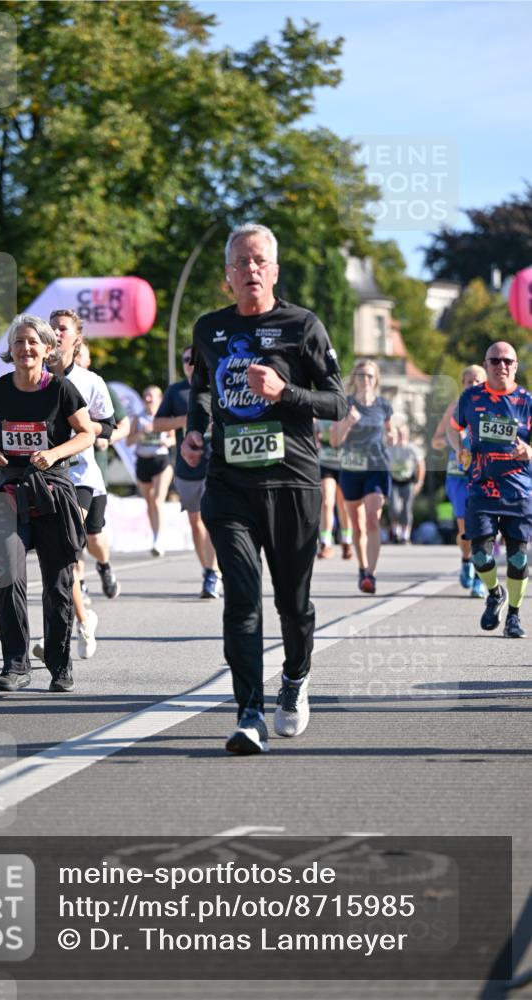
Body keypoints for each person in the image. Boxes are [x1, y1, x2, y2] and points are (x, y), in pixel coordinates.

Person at [181, 223, 347, 755]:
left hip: (293, 483)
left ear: (273, 271)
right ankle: (248, 711)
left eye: (260, 261)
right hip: (229, 486)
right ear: (228, 276)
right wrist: (192, 430)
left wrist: (285, 390)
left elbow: (337, 403)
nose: (250, 269)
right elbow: (202, 391)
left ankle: (294, 680)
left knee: (293, 605)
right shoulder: (209, 329)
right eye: (241, 263)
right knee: (242, 599)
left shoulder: (303, 326)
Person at [0, 314, 95, 692]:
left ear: (47, 349)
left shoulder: (60, 389)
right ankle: (16, 665)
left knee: (58, 584)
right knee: (6, 576)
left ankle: (60, 666)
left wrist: (55, 453)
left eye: (32, 342)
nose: (25, 348)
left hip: (52, 491)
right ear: (10, 351)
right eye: (18, 342)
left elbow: (87, 433)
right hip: (11, 489)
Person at [29, 308, 117, 661]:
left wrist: (80, 428)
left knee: (66, 547)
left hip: (79, 477)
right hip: (43, 476)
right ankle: (81, 620)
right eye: (51, 327)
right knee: (58, 556)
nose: (55, 331)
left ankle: (60, 634)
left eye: (62, 328)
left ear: (75, 338)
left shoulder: (91, 381)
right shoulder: (33, 377)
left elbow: (108, 427)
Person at [449, 342, 532, 638]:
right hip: (481, 487)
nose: (502, 366)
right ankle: (495, 593)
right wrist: (459, 448)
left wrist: (530, 451)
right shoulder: (471, 397)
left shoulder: (526, 401)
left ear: (516, 365)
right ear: (486, 365)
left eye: (507, 361)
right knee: (481, 557)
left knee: (518, 559)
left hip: (518, 490)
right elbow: (451, 426)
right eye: (495, 361)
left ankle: (513, 617)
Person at [153, 347, 221, 598]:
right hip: (187, 465)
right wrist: (184, 422)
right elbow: (157, 423)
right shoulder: (176, 391)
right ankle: (207, 569)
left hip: (215, 462)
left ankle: (213, 574)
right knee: (195, 521)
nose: (191, 364)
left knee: (211, 518)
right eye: (186, 360)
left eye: (195, 359)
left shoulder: (217, 384)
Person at [331, 359, 395, 594]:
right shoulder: (345, 405)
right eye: (361, 375)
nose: (365, 380)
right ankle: (362, 566)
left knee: (371, 519)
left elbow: (389, 430)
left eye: (369, 376)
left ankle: (371, 574)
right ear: (354, 378)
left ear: (375, 379)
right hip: (351, 469)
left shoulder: (384, 406)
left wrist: (393, 435)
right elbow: (335, 441)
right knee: (357, 526)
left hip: (377, 468)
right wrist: (348, 422)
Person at [74, 339, 129, 603]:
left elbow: (123, 425)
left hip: (94, 470)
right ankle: (79, 583)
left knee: (93, 534)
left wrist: (109, 438)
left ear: (87, 360)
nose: (74, 359)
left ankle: (104, 565)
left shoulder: (96, 384)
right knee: (71, 533)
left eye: (79, 355)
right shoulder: (51, 383)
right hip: (63, 471)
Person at [431, 364, 487, 597]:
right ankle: (466, 560)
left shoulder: (490, 408)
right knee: (466, 530)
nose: (472, 385)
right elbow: (436, 440)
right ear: (462, 384)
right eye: (468, 381)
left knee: (484, 529)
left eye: (476, 381)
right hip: (458, 476)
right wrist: (453, 442)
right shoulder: (455, 408)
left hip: (483, 474)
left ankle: (480, 577)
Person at [128, 385, 174, 557]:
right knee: (149, 502)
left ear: (159, 399)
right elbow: (129, 442)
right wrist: (141, 433)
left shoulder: (163, 418)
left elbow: (173, 439)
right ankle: (155, 534)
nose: (148, 399)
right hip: (143, 462)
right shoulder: (138, 419)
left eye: (151, 396)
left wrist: (167, 442)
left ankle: (159, 540)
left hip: (160, 461)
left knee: (157, 500)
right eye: (145, 396)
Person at [314, 418, 353, 559]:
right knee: (326, 503)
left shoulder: (346, 412)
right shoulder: (319, 416)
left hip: (344, 465)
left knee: (343, 506)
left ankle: (347, 541)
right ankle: (325, 543)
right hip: (325, 464)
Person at [388, 422, 425, 544]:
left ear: (407, 434)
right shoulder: (390, 448)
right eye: (399, 433)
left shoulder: (412, 448)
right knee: (394, 507)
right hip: (394, 481)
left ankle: (405, 535)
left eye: (403, 433)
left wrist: (419, 482)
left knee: (406, 508)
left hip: (408, 481)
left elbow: (421, 465)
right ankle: (396, 532)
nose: (401, 436)